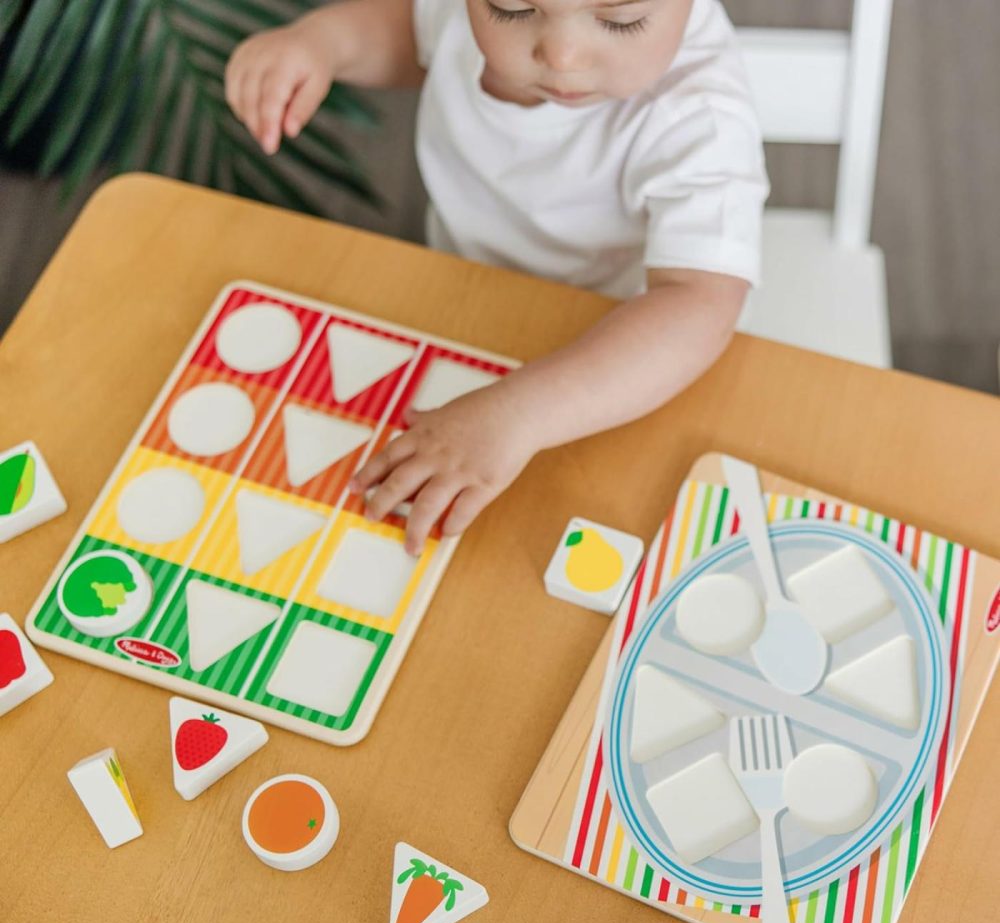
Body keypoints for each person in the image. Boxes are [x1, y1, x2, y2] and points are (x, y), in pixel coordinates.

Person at [226, 0, 769, 554]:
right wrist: (324, 41)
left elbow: (699, 304)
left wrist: (519, 416)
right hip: (468, 294)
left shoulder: (699, 118)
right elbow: (414, 33)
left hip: (618, 368)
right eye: (511, 9)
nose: (561, 55)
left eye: (620, 20)